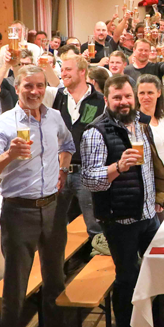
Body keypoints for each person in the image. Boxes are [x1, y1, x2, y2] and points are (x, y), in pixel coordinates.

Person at [0, 65, 83, 327]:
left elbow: (68, 145)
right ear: (18, 86)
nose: (35, 91)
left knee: (56, 282)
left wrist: (62, 170)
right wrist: (9, 155)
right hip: (18, 212)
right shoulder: (3, 124)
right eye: (28, 86)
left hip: (52, 208)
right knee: (15, 291)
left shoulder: (53, 117)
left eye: (40, 86)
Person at [81, 74, 164, 327]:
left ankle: (157, 319)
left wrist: (156, 201)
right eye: (117, 97)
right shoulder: (95, 132)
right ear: (107, 100)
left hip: (148, 215)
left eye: (127, 96)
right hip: (120, 219)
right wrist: (117, 167)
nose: (123, 102)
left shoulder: (142, 124)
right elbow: (89, 180)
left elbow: (152, 168)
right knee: (127, 276)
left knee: (158, 267)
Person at [52, 53, 108, 242]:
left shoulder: (100, 100)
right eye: (62, 70)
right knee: (55, 225)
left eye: (68, 69)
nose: (63, 73)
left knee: (95, 226)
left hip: (88, 171)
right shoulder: (57, 97)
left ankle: (99, 266)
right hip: (59, 170)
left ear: (83, 72)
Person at [137, 74, 164, 210]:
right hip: (152, 182)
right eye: (142, 93)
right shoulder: (134, 123)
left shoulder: (163, 116)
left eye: (150, 93)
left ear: (158, 93)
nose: (145, 97)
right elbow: (139, 161)